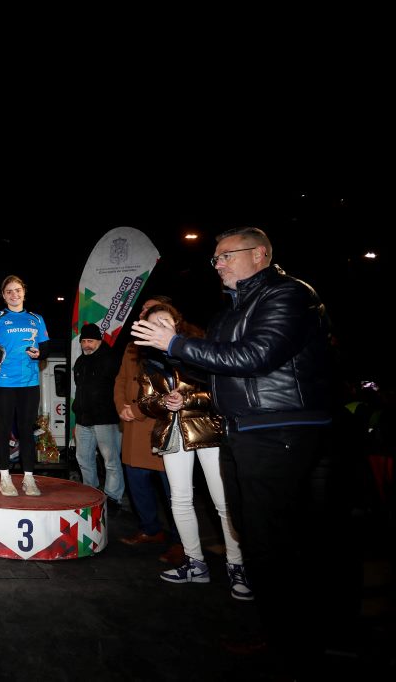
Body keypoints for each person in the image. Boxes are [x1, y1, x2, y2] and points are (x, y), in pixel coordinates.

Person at [132, 226, 332, 672]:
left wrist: (175, 342)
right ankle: (279, 631)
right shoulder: (229, 310)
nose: (217, 264)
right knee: (255, 532)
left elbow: (256, 357)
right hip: (242, 428)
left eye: (225, 255)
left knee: (276, 541)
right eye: (215, 259)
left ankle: (294, 646)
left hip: (283, 427)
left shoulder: (286, 295)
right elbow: (216, 370)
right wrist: (167, 354)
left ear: (259, 254)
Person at [135, 302, 250, 600]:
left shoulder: (197, 348)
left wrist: (187, 399)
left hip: (207, 430)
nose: (159, 327)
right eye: (153, 323)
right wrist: (164, 403)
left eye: (164, 321)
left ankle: (237, 566)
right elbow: (145, 402)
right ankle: (194, 562)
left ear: (176, 322)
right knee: (181, 499)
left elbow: (218, 389)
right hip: (172, 434)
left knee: (223, 501)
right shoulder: (148, 360)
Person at [115, 297, 183, 565]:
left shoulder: (176, 347)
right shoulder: (133, 346)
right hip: (132, 425)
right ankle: (150, 529)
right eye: (144, 310)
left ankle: (182, 542)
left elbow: (172, 390)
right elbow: (120, 379)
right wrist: (121, 406)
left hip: (159, 425)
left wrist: (138, 410)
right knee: (138, 482)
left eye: (151, 310)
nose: (144, 312)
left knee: (173, 490)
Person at [0, 275, 50, 496]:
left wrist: (40, 354)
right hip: (4, 382)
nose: (14, 294)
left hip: (29, 383)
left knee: (27, 431)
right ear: (3, 295)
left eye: (17, 290)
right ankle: (5, 478)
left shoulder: (36, 319)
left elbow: (46, 348)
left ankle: (29, 479)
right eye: (9, 291)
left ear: (24, 292)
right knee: (4, 428)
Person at [72, 323, 124, 508]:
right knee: (83, 458)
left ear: (99, 341)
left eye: (91, 341)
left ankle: (113, 497)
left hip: (106, 419)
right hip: (83, 420)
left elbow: (119, 389)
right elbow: (80, 389)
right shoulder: (80, 362)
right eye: (84, 341)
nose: (87, 345)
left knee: (110, 460)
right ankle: (90, 493)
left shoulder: (111, 359)